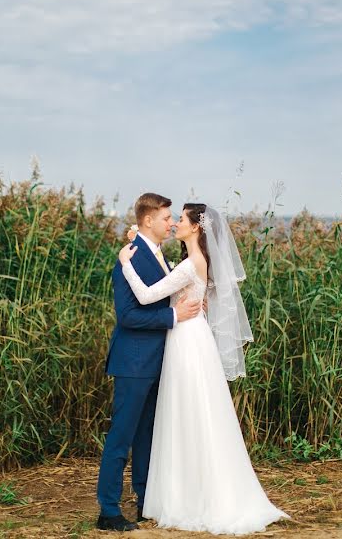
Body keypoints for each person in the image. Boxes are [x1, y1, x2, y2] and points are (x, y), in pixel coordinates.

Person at [116, 203, 290, 535]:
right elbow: (166, 272)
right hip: (194, 337)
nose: (174, 224)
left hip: (185, 339)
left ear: (196, 227)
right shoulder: (197, 262)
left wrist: (126, 263)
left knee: (187, 412)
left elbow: (148, 292)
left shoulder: (189, 264)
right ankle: (195, 491)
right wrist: (137, 237)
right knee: (196, 412)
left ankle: (191, 497)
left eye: (179, 219)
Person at [95, 193, 202, 532]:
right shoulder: (130, 257)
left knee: (146, 437)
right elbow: (127, 315)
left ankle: (144, 502)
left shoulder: (156, 254)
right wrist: (173, 315)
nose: (171, 223)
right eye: (166, 217)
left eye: (173, 218)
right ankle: (108, 511)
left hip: (156, 363)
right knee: (122, 436)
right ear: (148, 221)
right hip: (134, 362)